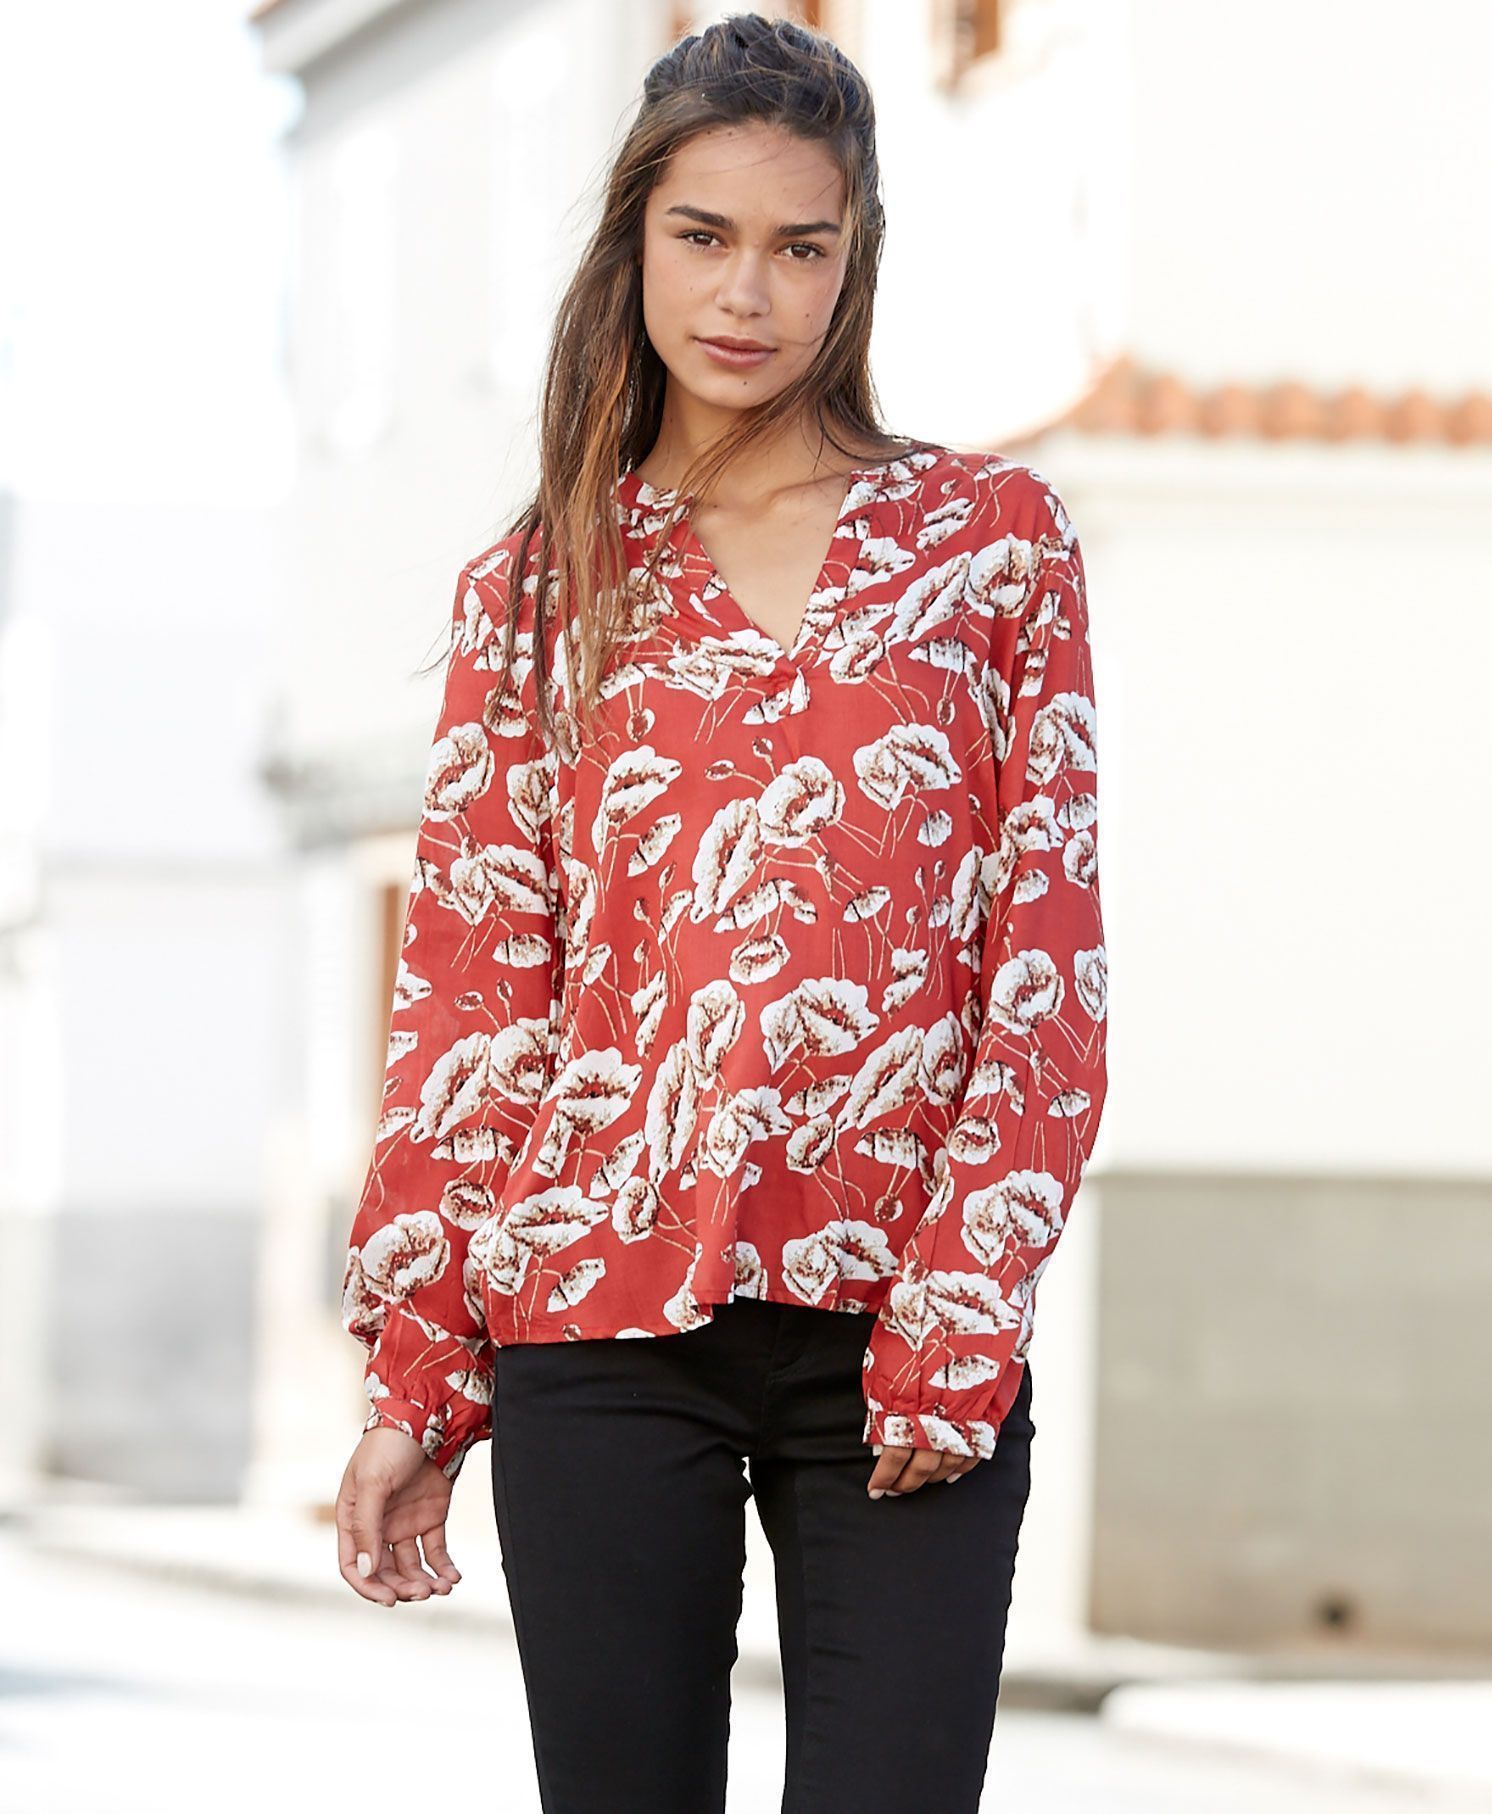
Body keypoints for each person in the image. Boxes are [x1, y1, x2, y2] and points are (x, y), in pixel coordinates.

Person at [334, 14, 1107, 1812]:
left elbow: (1045, 968)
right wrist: (420, 1379)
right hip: (596, 1323)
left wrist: (962, 1313)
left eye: (798, 245)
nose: (747, 293)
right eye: (704, 236)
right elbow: (474, 1010)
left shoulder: (994, 547)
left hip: (900, 1318)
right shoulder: (540, 586)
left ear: (855, 259)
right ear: (636, 240)